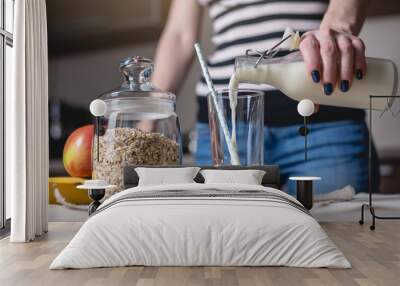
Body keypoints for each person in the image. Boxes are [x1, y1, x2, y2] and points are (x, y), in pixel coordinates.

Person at [153, 0, 378, 195]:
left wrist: (338, 26)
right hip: (225, 126)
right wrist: (146, 122)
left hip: (323, 118)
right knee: (227, 236)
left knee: (339, 233)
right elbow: (180, 35)